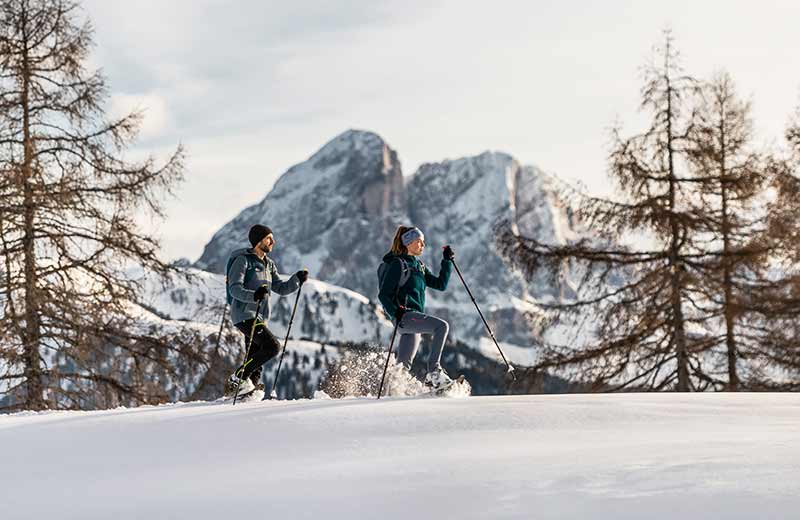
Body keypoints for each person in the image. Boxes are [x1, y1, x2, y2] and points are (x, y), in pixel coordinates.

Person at [225, 224, 308, 396]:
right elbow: (234, 288)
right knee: (272, 346)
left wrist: (297, 280)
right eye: (269, 238)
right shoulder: (243, 260)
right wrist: (253, 295)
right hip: (244, 314)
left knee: (255, 357)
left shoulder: (269, 265)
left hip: (261, 316)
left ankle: (247, 393)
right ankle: (239, 377)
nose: (273, 241)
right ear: (258, 241)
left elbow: (281, 288)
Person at [378, 225, 455, 390]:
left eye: (423, 242)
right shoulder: (398, 264)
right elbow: (383, 294)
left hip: (413, 318)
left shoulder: (419, 266)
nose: (423, 245)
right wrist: (395, 311)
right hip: (404, 316)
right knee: (441, 326)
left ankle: (393, 390)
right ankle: (434, 373)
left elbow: (440, 284)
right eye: (419, 242)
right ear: (408, 242)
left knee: (402, 368)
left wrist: (446, 261)